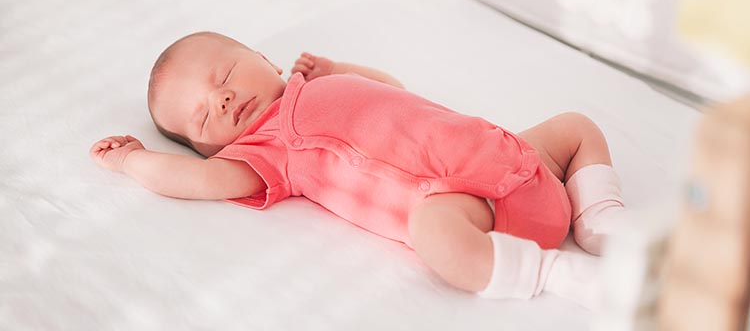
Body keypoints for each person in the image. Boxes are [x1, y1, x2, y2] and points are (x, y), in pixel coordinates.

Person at [90, 31, 625, 309]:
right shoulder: (267, 150)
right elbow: (199, 181)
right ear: (211, 149)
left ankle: (601, 218)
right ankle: (551, 273)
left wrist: (339, 70)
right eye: (205, 116)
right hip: (468, 205)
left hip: (513, 154)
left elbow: (391, 89)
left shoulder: (316, 84)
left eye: (224, 74)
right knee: (431, 233)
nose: (224, 98)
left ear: (262, 56)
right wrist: (132, 160)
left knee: (575, 126)